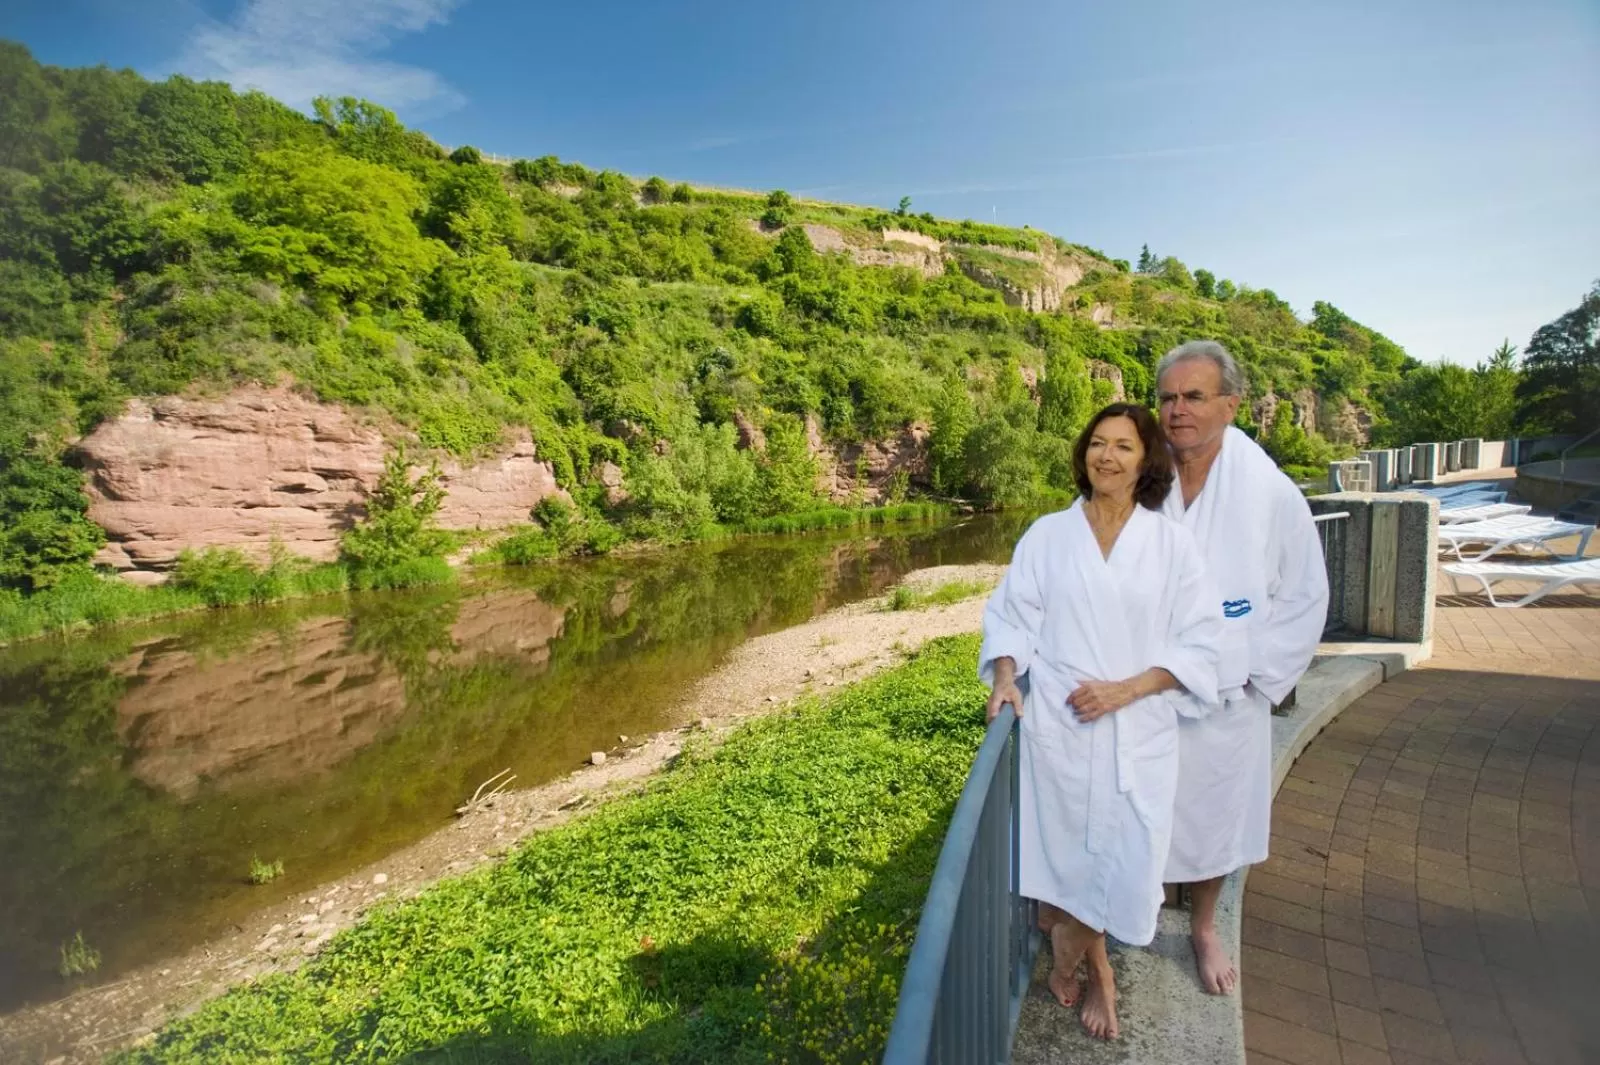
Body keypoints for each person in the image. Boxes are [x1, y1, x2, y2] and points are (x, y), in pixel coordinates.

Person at [980, 402, 1222, 1040]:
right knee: (1072, 863)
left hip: (1137, 727)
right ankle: (1100, 976)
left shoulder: (1171, 544)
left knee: (1130, 864)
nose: (1106, 456)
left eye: (1123, 446)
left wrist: (1127, 689)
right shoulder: (1047, 535)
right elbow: (1012, 616)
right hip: (1062, 730)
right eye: (1097, 443)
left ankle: (1064, 945)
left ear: (1146, 462)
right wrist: (1006, 678)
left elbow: (1203, 643)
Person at [1156, 340, 1329, 996]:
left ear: (1229, 404)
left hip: (1228, 696)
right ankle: (1142, 904)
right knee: (1143, 805)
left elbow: (1307, 591)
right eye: (1168, 397)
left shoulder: (1269, 491)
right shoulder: (1143, 475)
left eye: (1194, 396)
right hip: (1152, 688)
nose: (1178, 410)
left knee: (1215, 816)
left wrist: (1256, 672)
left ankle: (1202, 925)